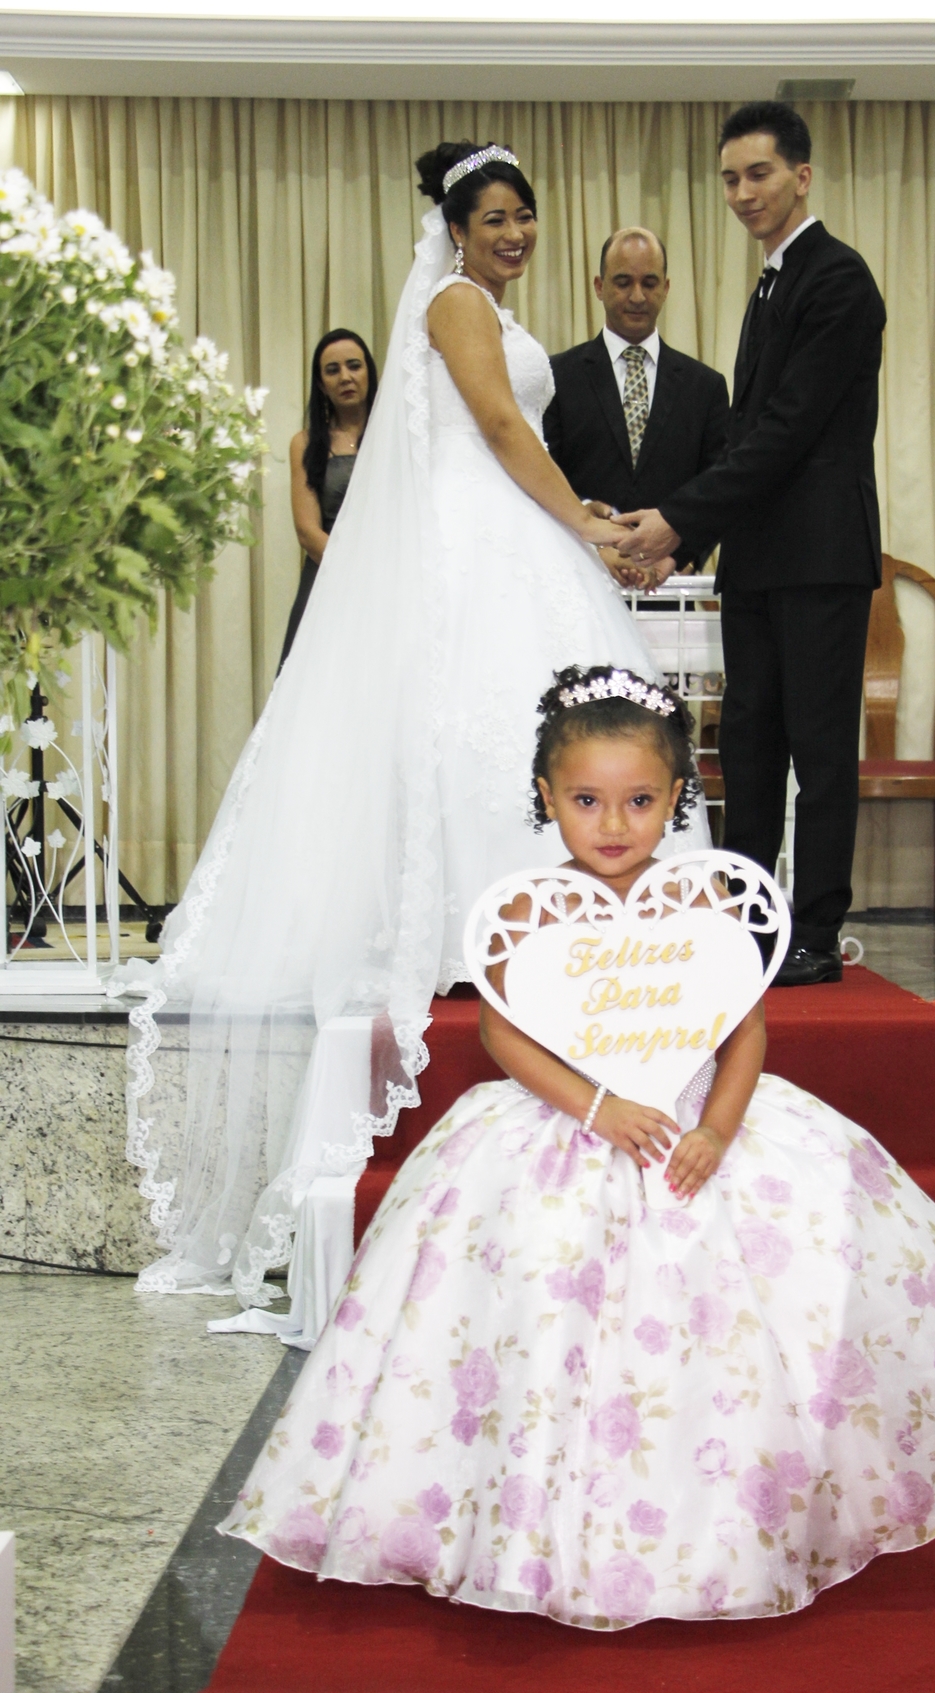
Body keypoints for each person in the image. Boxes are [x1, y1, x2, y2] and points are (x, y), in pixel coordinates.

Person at [220, 664, 935, 1628]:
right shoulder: (528, 914)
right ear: (546, 797)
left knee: (753, 1296)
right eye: (586, 800)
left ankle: (735, 1512)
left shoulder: (701, 905)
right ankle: (523, 1517)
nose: (612, 824)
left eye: (639, 800)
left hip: (693, 1120)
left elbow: (742, 1028)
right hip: (570, 1125)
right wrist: (596, 1108)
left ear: (678, 799)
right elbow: (503, 1034)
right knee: (544, 1294)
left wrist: (718, 1126)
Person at [127, 142, 706, 1311]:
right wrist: (591, 534)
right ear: (453, 228)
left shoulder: (476, 305)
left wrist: (574, 515)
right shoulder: (452, 303)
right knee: (489, 723)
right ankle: (484, 929)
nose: (514, 234)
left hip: (509, 524)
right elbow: (499, 431)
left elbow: (513, 445)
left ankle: (573, 919)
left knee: (535, 724)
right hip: (478, 539)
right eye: (494, 217)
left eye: (526, 217)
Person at [618, 102, 886, 988]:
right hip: (762, 559)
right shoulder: (772, 282)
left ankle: (813, 932)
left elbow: (786, 433)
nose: (741, 193)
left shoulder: (837, 279)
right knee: (751, 745)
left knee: (818, 747)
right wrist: (683, 543)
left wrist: (679, 519)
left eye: (758, 174)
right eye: (730, 178)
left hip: (821, 557)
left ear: (801, 176)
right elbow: (744, 443)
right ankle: (749, 917)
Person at [544, 228, 729, 591]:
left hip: (672, 593)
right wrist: (589, 527)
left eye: (649, 282)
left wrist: (678, 558)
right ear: (598, 286)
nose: (637, 296)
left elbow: (717, 488)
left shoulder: (705, 387)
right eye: (623, 282)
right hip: (579, 585)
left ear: (666, 287)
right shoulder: (555, 377)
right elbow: (541, 473)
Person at [278, 329, 378, 672]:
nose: (346, 377)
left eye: (354, 366)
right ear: (320, 384)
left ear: (370, 373)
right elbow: (307, 532)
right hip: (327, 577)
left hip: (390, 578)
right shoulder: (304, 443)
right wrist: (357, 572)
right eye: (332, 370)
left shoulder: (399, 437)